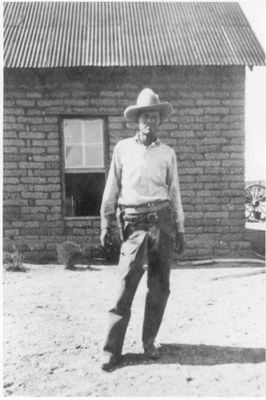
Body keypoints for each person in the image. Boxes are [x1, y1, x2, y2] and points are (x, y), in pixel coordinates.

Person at [100, 88, 185, 371]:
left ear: (160, 120)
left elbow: (175, 195)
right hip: (133, 224)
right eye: (144, 117)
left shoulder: (167, 154)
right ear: (137, 121)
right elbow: (111, 188)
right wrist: (106, 221)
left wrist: (180, 229)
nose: (150, 121)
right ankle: (111, 351)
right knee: (125, 287)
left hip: (162, 222)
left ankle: (149, 342)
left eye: (154, 116)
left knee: (160, 287)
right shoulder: (123, 149)